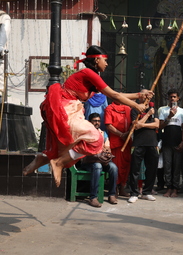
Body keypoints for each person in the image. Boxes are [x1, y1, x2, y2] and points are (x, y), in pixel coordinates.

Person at [22, 45, 152, 187]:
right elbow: (114, 95)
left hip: (68, 108)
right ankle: (58, 163)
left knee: (71, 145)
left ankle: (44, 159)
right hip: (65, 108)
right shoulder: (88, 74)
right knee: (95, 139)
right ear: (97, 60)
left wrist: (139, 95)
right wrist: (137, 105)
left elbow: (115, 95)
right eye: (105, 61)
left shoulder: (90, 77)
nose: (107, 64)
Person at [80, 113, 118, 207]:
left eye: (98, 121)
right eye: (95, 121)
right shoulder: (85, 134)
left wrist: (105, 154)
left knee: (113, 167)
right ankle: (93, 197)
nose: (97, 123)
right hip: (88, 162)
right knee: (97, 166)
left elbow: (107, 147)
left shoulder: (103, 133)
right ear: (89, 122)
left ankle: (111, 194)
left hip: (101, 160)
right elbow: (83, 150)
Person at [128, 92, 160, 203]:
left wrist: (143, 124)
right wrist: (147, 115)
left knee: (151, 169)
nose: (147, 97)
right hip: (138, 143)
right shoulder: (135, 110)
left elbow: (157, 125)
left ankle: (147, 192)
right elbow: (135, 126)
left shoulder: (153, 109)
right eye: (145, 95)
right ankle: (134, 193)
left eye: (149, 96)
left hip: (152, 142)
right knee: (135, 169)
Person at [159, 88, 183, 197]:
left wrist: (182, 142)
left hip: (178, 142)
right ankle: (169, 187)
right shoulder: (163, 110)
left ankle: (175, 188)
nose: (172, 99)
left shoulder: (182, 111)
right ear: (168, 98)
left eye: (174, 97)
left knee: (176, 167)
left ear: (178, 98)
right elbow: (160, 126)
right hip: (167, 142)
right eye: (170, 97)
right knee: (167, 166)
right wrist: (169, 117)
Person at [105, 101, 132, 197]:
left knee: (126, 164)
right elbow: (108, 125)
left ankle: (122, 188)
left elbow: (133, 122)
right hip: (116, 141)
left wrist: (128, 133)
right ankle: (114, 189)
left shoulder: (128, 108)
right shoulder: (109, 108)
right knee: (116, 166)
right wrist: (121, 134)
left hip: (127, 141)